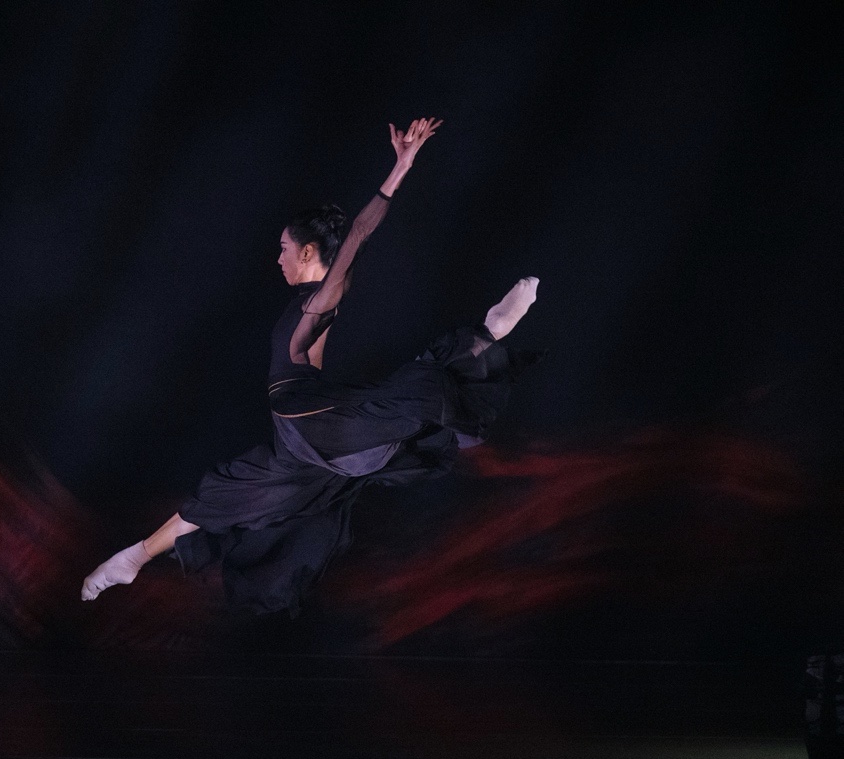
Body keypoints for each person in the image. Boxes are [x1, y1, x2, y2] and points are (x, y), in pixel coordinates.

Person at [81, 117, 539, 617]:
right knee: (225, 489)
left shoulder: (317, 301)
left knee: (405, 398)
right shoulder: (311, 300)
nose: (277, 258)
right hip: (301, 444)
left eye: (283, 249)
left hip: (309, 418)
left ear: (305, 251)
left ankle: (489, 332)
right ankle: (132, 558)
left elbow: (359, 235)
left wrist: (400, 167)